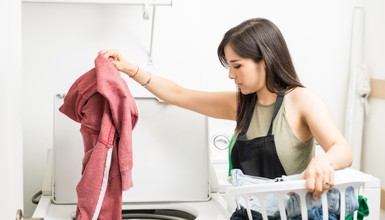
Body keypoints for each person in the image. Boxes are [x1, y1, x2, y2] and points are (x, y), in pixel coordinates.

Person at [100, 17, 352, 200]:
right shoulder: (241, 104)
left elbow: (343, 150)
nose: (231, 75)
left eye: (237, 66)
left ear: (265, 61)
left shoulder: (301, 100)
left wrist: (322, 161)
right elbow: (179, 94)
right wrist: (130, 69)